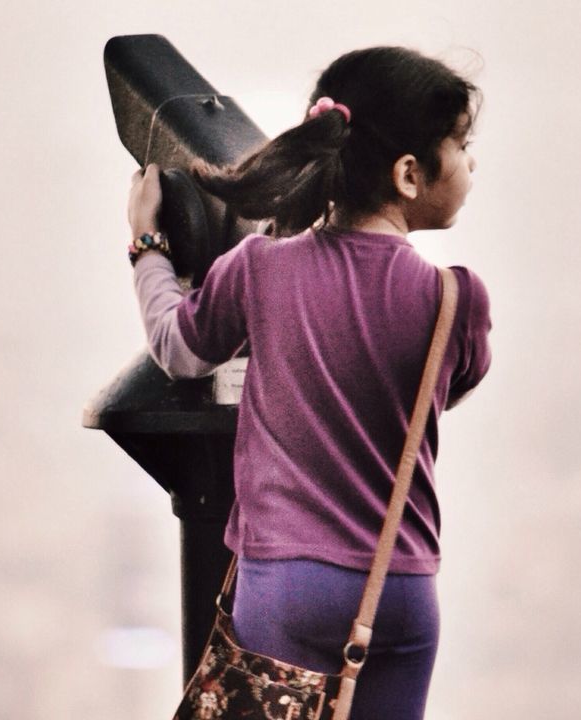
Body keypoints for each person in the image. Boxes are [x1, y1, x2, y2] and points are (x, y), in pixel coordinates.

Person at [125, 46, 491, 720]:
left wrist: (148, 247)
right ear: (410, 174)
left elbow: (179, 350)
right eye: (463, 147)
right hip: (399, 589)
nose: (473, 166)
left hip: (286, 584)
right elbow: (443, 390)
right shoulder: (453, 300)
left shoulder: (259, 270)